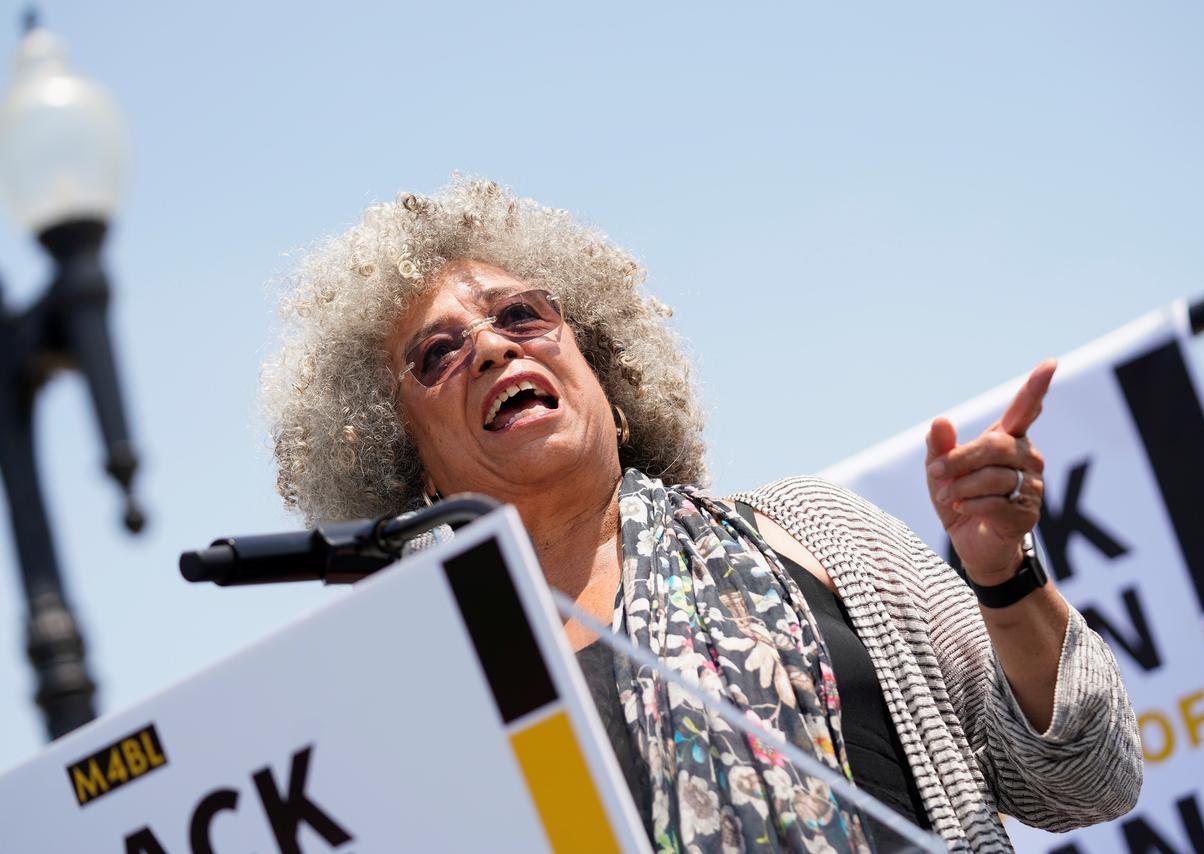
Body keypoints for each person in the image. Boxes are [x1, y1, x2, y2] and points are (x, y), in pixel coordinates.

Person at [261, 177, 1142, 852]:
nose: (492, 345)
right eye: (440, 353)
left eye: (521, 316)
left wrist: (1003, 576)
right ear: (402, 458)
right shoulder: (416, 684)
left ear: (605, 367)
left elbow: (1086, 781)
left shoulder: (814, 529)